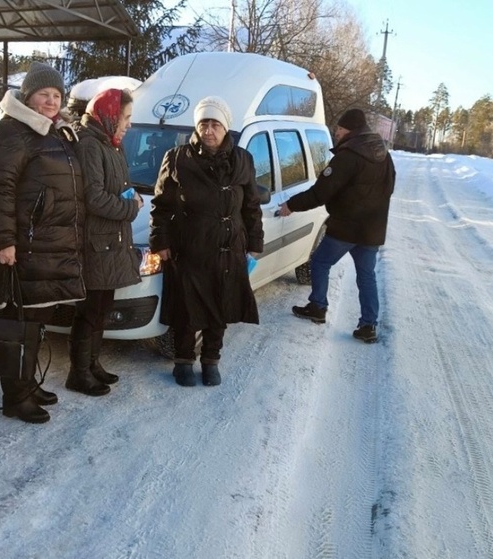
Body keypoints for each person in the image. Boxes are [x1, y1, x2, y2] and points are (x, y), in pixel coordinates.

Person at [0, 62, 86, 423]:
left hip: (48, 244)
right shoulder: (13, 131)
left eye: (57, 95)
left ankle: (27, 384)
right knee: (19, 322)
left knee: (36, 321)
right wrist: (3, 241)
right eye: (45, 94)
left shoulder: (53, 132)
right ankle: (15, 397)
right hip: (23, 247)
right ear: (29, 96)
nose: (52, 101)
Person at [149, 96, 264, 387]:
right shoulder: (177, 158)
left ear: (226, 128)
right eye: (203, 124)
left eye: (215, 124)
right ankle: (183, 360)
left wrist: (254, 242)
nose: (209, 130)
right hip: (190, 247)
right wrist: (160, 240)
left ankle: (211, 360)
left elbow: (251, 206)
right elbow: (161, 205)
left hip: (229, 248)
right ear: (196, 127)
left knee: (221, 307)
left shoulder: (243, 159)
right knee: (186, 309)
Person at [278, 108, 395, 343]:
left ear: (348, 129)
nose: (337, 133)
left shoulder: (348, 156)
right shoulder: (384, 154)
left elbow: (320, 192)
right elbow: (389, 187)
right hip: (371, 228)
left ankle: (318, 307)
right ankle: (368, 326)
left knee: (320, 262)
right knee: (366, 276)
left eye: (339, 129)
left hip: (346, 226)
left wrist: (291, 204)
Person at [66, 88, 142, 396]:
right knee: (90, 309)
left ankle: (92, 363)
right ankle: (78, 372)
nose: (128, 125)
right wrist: (131, 207)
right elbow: (94, 197)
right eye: (125, 117)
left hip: (112, 241)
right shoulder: (90, 145)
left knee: (102, 306)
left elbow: (119, 186)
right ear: (109, 115)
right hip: (96, 243)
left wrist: (130, 196)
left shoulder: (111, 143)